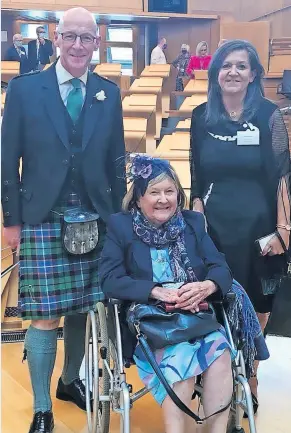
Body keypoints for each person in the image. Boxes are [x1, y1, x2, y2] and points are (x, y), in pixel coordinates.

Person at [1, 7, 125, 433]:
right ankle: (41, 407)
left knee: (82, 308)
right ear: (55, 38)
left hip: (96, 217)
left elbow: (116, 162)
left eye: (86, 38)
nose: (77, 45)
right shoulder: (25, 89)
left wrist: (120, 221)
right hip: (42, 217)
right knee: (43, 315)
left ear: (97, 43)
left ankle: (70, 381)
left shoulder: (109, 93)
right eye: (70, 36)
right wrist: (11, 219)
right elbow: (7, 161)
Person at [189, 39, 290, 413]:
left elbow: (283, 175)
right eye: (226, 65)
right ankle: (216, 370)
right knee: (214, 299)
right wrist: (196, 224)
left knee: (258, 301)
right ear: (216, 73)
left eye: (241, 66)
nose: (233, 72)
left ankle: (251, 371)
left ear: (252, 75)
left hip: (259, 225)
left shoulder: (267, 114)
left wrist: (284, 230)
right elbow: (197, 178)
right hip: (216, 227)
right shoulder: (201, 115)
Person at [100, 155, 234, 433]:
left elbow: (219, 267)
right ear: (138, 199)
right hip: (151, 323)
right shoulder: (121, 226)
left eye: (169, 191)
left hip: (197, 314)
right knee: (181, 359)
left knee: (221, 354)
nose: (163, 199)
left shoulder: (193, 223)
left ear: (178, 195)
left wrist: (208, 286)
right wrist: (155, 291)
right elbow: (110, 280)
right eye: (154, 192)